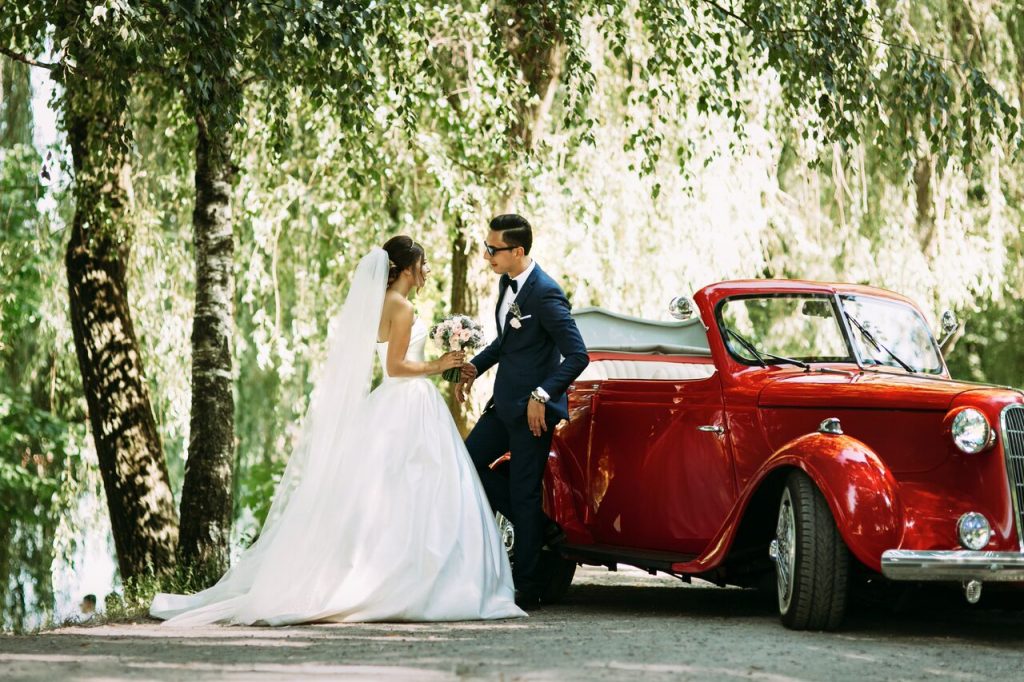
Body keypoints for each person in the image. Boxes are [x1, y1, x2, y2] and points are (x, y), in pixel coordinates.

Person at [149, 236, 524, 625]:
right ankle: (418, 579)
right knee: (423, 486)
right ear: (408, 268)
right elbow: (396, 367)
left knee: (389, 489)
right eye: (423, 263)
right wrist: (438, 364)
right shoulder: (404, 307)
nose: (427, 270)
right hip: (408, 398)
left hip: (392, 403)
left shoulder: (380, 304)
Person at [457, 214, 589, 609]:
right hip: (503, 407)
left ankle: (528, 587)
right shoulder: (506, 283)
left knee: (525, 493)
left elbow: (578, 354)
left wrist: (542, 394)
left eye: (493, 249)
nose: (486, 255)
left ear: (518, 251)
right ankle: (541, 530)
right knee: (467, 463)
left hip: (532, 414)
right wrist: (474, 368)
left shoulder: (546, 294)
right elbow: (507, 342)